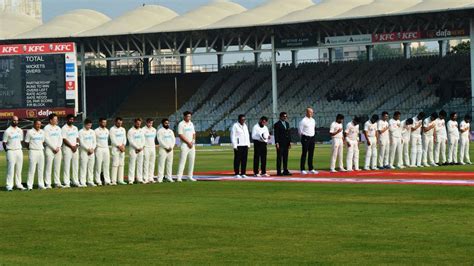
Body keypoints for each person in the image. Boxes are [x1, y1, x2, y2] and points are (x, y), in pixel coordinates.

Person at [2, 116, 25, 191]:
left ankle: (19, 185)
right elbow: (4, 143)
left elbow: (21, 141)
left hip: (19, 151)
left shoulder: (20, 130)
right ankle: (9, 186)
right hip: (11, 151)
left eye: (17, 120)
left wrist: (18, 147)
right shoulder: (7, 131)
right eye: (14, 120)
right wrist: (8, 150)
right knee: (10, 169)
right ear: (11, 121)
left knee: (19, 169)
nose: (16, 122)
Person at [44, 113, 63, 189]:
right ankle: (48, 183)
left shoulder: (58, 128)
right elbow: (46, 139)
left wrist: (58, 147)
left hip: (58, 149)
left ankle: (57, 182)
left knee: (57, 167)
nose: (56, 120)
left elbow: (60, 138)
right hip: (49, 149)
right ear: (51, 120)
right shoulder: (46, 128)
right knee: (48, 167)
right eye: (55, 119)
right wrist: (53, 148)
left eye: (56, 119)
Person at [25, 119, 45, 190]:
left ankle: (41, 185)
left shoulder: (42, 132)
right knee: (32, 169)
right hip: (33, 151)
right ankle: (29, 185)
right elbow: (26, 142)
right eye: (37, 124)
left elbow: (42, 142)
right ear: (34, 124)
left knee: (41, 169)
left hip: (40, 151)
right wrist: (30, 148)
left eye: (40, 124)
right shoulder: (30, 132)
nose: (38, 125)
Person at [177, 111, 197, 182]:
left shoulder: (191, 123)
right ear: (184, 116)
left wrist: (193, 141)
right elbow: (180, 135)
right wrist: (188, 142)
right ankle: (179, 177)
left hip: (192, 145)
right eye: (188, 116)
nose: (189, 117)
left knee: (192, 161)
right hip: (185, 145)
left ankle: (190, 176)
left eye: (190, 116)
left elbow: (194, 133)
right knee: (182, 161)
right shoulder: (181, 124)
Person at [62, 114, 79, 188]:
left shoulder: (75, 128)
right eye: (70, 119)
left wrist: (76, 145)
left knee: (75, 165)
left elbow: (77, 138)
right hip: (67, 148)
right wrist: (71, 146)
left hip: (75, 148)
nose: (71, 121)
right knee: (67, 165)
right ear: (67, 120)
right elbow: (64, 139)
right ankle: (67, 182)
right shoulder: (64, 128)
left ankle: (75, 181)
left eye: (72, 119)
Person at [299, 107, 318, 174]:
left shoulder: (313, 120)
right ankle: (302, 169)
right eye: (310, 112)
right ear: (307, 112)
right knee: (304, 153)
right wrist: (303, 138)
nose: (311, 113)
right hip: (305, 138)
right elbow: (300, 131)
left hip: (312, 138)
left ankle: (311, 168)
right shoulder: (303, 120)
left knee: (311, 154)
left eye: (312, 112)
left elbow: (313, 129)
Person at [79, 119, 97, 187]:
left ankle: (90, 181)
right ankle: (83, 182)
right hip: (84, 152)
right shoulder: (81, 132)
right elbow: (81, 142)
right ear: (85, 124)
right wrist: (88, 149)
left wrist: (92, 149)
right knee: (83, 167)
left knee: (91, 167)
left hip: (92, 151)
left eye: (90, 125)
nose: (89, 126)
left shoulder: (92, 132)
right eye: (88, 125)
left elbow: (94, 141)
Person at [157, 118, 175, 183]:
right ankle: (160, 178)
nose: (167, 124)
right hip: (163, 150)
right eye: (166, 123)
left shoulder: (171, 131)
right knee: (161, 164)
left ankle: (169, 177)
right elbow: (160, 140)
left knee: (169, 164)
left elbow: (173, 140)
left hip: (170, 150)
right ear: (163, 124)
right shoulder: (160, 131)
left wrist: (171, 147)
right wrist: (166, 147)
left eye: (168, 123)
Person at [128, 118, 145, 184]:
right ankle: (131, 180)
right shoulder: (130, 131)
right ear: (134, 123)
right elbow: (131, 141)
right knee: (132, 164)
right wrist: (137, 148)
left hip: (140, 150)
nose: (138, 125)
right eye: (137, 123)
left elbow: (143, 140)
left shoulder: (141, 130)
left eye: (140, 123)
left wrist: (140, 147)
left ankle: (139, 179)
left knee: (140, 164)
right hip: (133, 150)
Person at [110, 117, 127, 185]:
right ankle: (113, 180)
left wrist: (123, 145)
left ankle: (120, 180)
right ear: (115, 122)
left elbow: (124, 139)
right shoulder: (112, 129)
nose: (119, 124)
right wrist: (119, 146)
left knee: (121, 164)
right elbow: (113, 139)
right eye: (118, 123)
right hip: (115, 148)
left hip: (122, 149)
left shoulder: (123, 129)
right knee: (115, 164)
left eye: (120, 123)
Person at [274, 112, 291, 176]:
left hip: (286, 143)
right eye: (284, 116)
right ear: (280, 117)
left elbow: (289, 134)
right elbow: (276, 134)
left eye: (286, 116)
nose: (285, 117)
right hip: (280, 143)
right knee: (279, 158)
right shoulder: (277, 124)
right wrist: (277, 142)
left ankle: (285, 170)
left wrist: (289, 142)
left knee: (285, 157)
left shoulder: (287, 124)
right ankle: (278, 171)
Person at [95, 118, 111, 186]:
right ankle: (98, 180)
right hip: (99, 149)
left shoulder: (107, 130)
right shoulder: (96, 131)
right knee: (98, 165)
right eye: (103, 122)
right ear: (100, 123)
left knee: (106, 165)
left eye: (105, 122)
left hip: (106, 148)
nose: (104, 124)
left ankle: (107, 180)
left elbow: (106, 140)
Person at [143, 118, 157, 183]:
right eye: (149, 123)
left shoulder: (154, 130)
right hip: (146, 147)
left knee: (152, 163)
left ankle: (151, 177)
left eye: (151, 123)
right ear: (146, 123)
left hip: (152, 147)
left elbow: (153, 139)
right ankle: (145, 178)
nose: (150, 124)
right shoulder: (143, 129)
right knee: (146, 163)